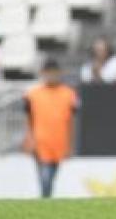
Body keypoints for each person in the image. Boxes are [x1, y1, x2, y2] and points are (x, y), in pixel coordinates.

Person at [23, 58, 79, 198]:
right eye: (48, 73)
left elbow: (72, 121)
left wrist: (70, 145)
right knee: (45, 177)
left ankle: (46, 200)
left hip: (59, 142)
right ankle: (45, 201)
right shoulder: (33, 94)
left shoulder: (68, 94)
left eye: (54, 73)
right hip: (40, 142)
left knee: (51, 176)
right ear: (42, 73)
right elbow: (28, 119)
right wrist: (29, 139)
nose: (51, 76)